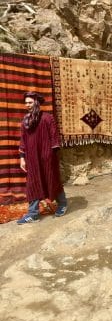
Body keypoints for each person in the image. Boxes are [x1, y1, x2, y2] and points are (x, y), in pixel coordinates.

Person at [17, 92, 68, 224]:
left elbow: (54, 136)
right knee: (33, 184)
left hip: (47, 157)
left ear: (36, 102)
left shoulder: (47, 118)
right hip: (32, 158)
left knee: (52, 180)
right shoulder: (25, 121)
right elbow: (23, 140)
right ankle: (33, 214)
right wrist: (22, 158)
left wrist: (51, 155)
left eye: (29, 102)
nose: (27, 105)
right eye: (26, 102)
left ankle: (62, 204)